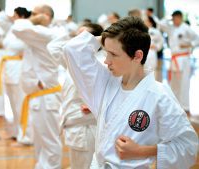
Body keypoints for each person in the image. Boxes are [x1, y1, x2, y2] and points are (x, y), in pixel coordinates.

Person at [64, 16, 198, 168]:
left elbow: (187, 147)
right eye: (106, 52)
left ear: (137, 56)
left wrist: (142, 151)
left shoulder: (159, 95)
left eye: (113, 54)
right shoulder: (105, 82)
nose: (107, 60)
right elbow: (72, 50)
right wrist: (108, 38)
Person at [13, 4, 64, 169]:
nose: (30, 17)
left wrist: (36, 19)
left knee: (49, 141)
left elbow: (18, 27)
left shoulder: (48, 34)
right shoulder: (38, 35)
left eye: (34, 14)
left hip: (45, 97)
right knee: (40, 142)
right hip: (38, 96)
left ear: (45, 16)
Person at [47, 23, 103, 169]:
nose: (77, 39)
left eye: (82, 36)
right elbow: (52, 48)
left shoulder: (102, 62)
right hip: (74, 124)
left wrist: (96, 105)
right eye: (76, 35)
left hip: (87, 125)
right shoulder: (73, 61)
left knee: (86, 165)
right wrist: (70, 35)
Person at [0, 7, 33, 144]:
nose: (12, 17)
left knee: (21, 104)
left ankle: (26, 136)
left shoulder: (26, 29)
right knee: (12, 103)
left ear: (21, 16)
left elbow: (25, 47)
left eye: (14, 15)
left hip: (19, 68)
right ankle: (15, 132)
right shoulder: (12, 29)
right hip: (8, 68)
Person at [159, 10, 199, 113]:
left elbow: (197, 39)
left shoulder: (186, 28)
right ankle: (174, 105)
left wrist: (190, 45)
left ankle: (185, 106)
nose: (175, 20)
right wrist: (168, 18)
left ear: (180, 17)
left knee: (184, 82)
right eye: (173, 18)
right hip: (174, 58)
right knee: (174, 83)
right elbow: (161, 24)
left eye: (176, 18)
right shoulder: (171, 28)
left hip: (184, 58)